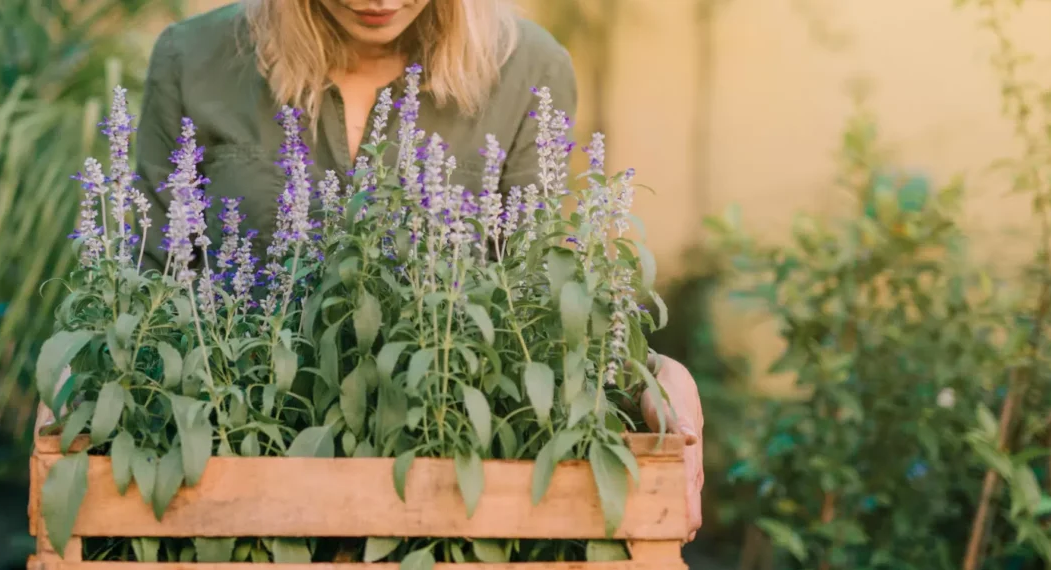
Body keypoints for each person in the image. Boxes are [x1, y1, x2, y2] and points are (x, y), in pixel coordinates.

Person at [131, 0, 705, 541]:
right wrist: (87, 377)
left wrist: (649, 372)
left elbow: (535, 290)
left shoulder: (527, 65)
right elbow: (149, 274)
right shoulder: (196, 57)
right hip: (230, 485)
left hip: (444, 489)